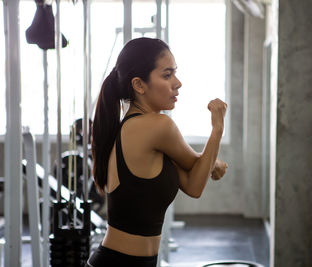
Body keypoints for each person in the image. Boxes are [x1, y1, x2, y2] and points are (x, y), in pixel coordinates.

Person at [86, 37, 228, 267]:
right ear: (139, 85)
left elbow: (193, 184)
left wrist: (211, 162)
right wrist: (218, 129)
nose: (178, 82)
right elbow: (200, 175)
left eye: (175, 73)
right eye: (167, 75)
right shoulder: (158, 126)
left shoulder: (137, 128)